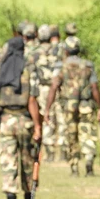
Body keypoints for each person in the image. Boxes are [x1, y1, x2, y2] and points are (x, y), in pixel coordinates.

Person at [0, 22, 44, 199]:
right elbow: (32, 100)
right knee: (27, 163)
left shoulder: (0, 70)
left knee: (8, 164)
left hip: (6, 120)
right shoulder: (27, 69)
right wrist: (38, 126)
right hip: (25, 120)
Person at [45, 36, 100, 177]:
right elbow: (94, 87)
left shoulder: (61, 66)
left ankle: (74, 167)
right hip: (86, 104)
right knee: (88, 133)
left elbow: (54, 87)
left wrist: (48, 108)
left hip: (68, 105)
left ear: (65, 50)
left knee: (71, 135)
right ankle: (89, 165)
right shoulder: (88, 65)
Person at [33, 25, 63, 161]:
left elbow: (32, 73)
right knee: (61, 117)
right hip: (58, 87)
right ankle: (63, 150)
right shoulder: (58, 51)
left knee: (46, 117)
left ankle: (49, 151)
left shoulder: (35, 52)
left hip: (42, 89)